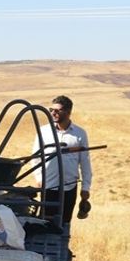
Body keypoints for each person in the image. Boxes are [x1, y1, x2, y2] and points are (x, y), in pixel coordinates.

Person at [32, 95, 93, 226]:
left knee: (64, 224)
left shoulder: (79, 133)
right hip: (48, 186)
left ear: (68, 112)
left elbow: (85, 162)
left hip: (69, 187)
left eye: (57, 110)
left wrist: (86, 187)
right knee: (45, 223)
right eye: (51, 110)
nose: (53, 113)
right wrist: (39, 179)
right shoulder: (44, 131)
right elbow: (36, 157)